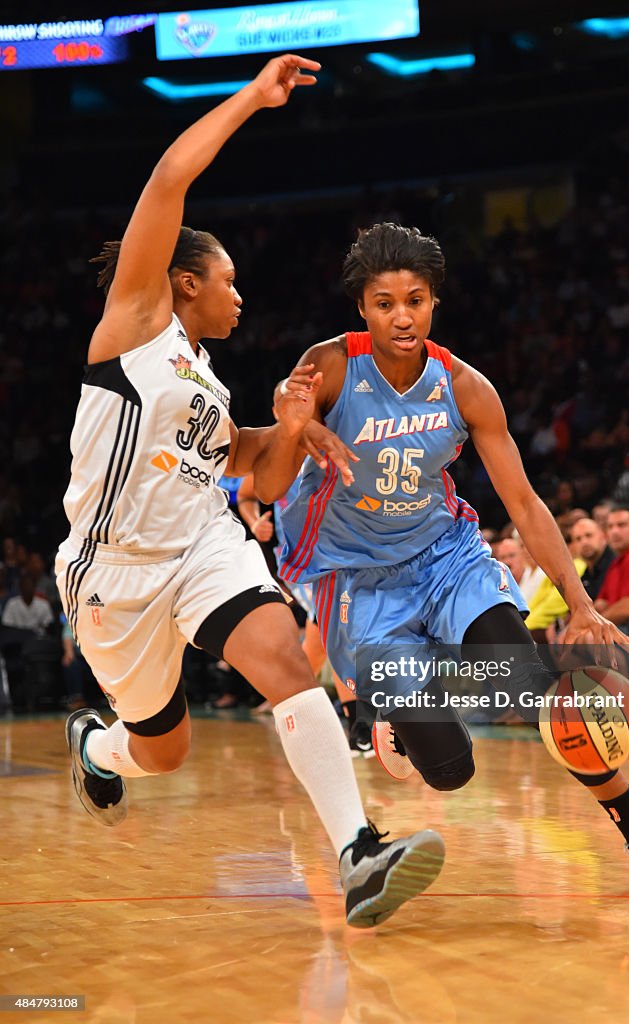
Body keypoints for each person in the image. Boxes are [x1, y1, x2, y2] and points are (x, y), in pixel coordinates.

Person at [54, 60, 444, 930]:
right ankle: (99, 742)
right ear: (184, 282)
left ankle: (358, 853)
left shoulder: (209, 383)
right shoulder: (134, 326)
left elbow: (254, 475)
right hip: (113, 569)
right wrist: (251, 101)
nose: (241, 292)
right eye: (227, 279)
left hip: (201, 545)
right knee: (164, 749)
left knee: (283, 662)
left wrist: (294, 424)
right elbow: (168, 178)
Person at [263, 222, 629, 893]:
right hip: (358, 575)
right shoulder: (333, 366)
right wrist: (300, 426)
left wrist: (579, 603)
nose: (401, 316)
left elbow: (524, 504)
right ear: (363, 308)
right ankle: (401, 726)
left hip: (445, 556)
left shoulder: (465, 388)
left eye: (415, 299)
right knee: (452, 772)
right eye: (385, 303)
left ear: (435, 300)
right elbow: (281, 416)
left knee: (535, 685)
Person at [238, 473, 374, 755]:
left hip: (343, 556)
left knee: (317, 644)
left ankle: (284, 701)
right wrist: (255, 522)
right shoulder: (279, 449)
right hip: (301, 562)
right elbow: (245, 495)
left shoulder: (342, 444)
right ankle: (360, 727)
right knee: (334, 629)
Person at [594, 505, 629, 625]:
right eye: (610, 527)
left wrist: (593, 626)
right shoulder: (617, 562)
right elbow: (600, 603)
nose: (614, 531)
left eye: (621, 525)